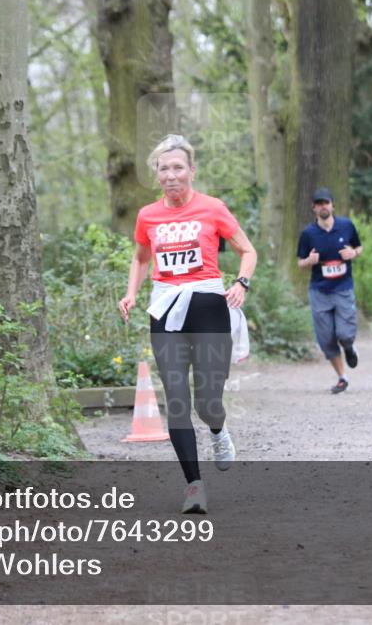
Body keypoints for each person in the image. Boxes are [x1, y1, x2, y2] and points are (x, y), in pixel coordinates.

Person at [118, 134, 257, 515]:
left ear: (192, 171)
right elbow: (140, 258)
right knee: (177, 400)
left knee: (208, 402)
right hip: (165, 309)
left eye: (178, 167)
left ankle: (218, 429)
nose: (171, 175)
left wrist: (241, 283)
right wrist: (131, 293)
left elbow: (247, 250)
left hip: (209, 305)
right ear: (157, 175)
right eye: (164, 169)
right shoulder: (148, 216)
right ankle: (194, 486)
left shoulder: (213, 208)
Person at [297, 188, 362, 395]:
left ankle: (349, 347)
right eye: (319, 204)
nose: (323, 206)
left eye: (326, 203)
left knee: (344, 334)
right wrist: (309, 261)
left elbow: (359, 248)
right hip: (319, 291)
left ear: (332, 205)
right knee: (325, 339)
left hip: (343, 288)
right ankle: (342, 378)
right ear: (313, 208)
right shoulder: (308, 234)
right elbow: (300, 263)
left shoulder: (346, 226)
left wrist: (353, 253)